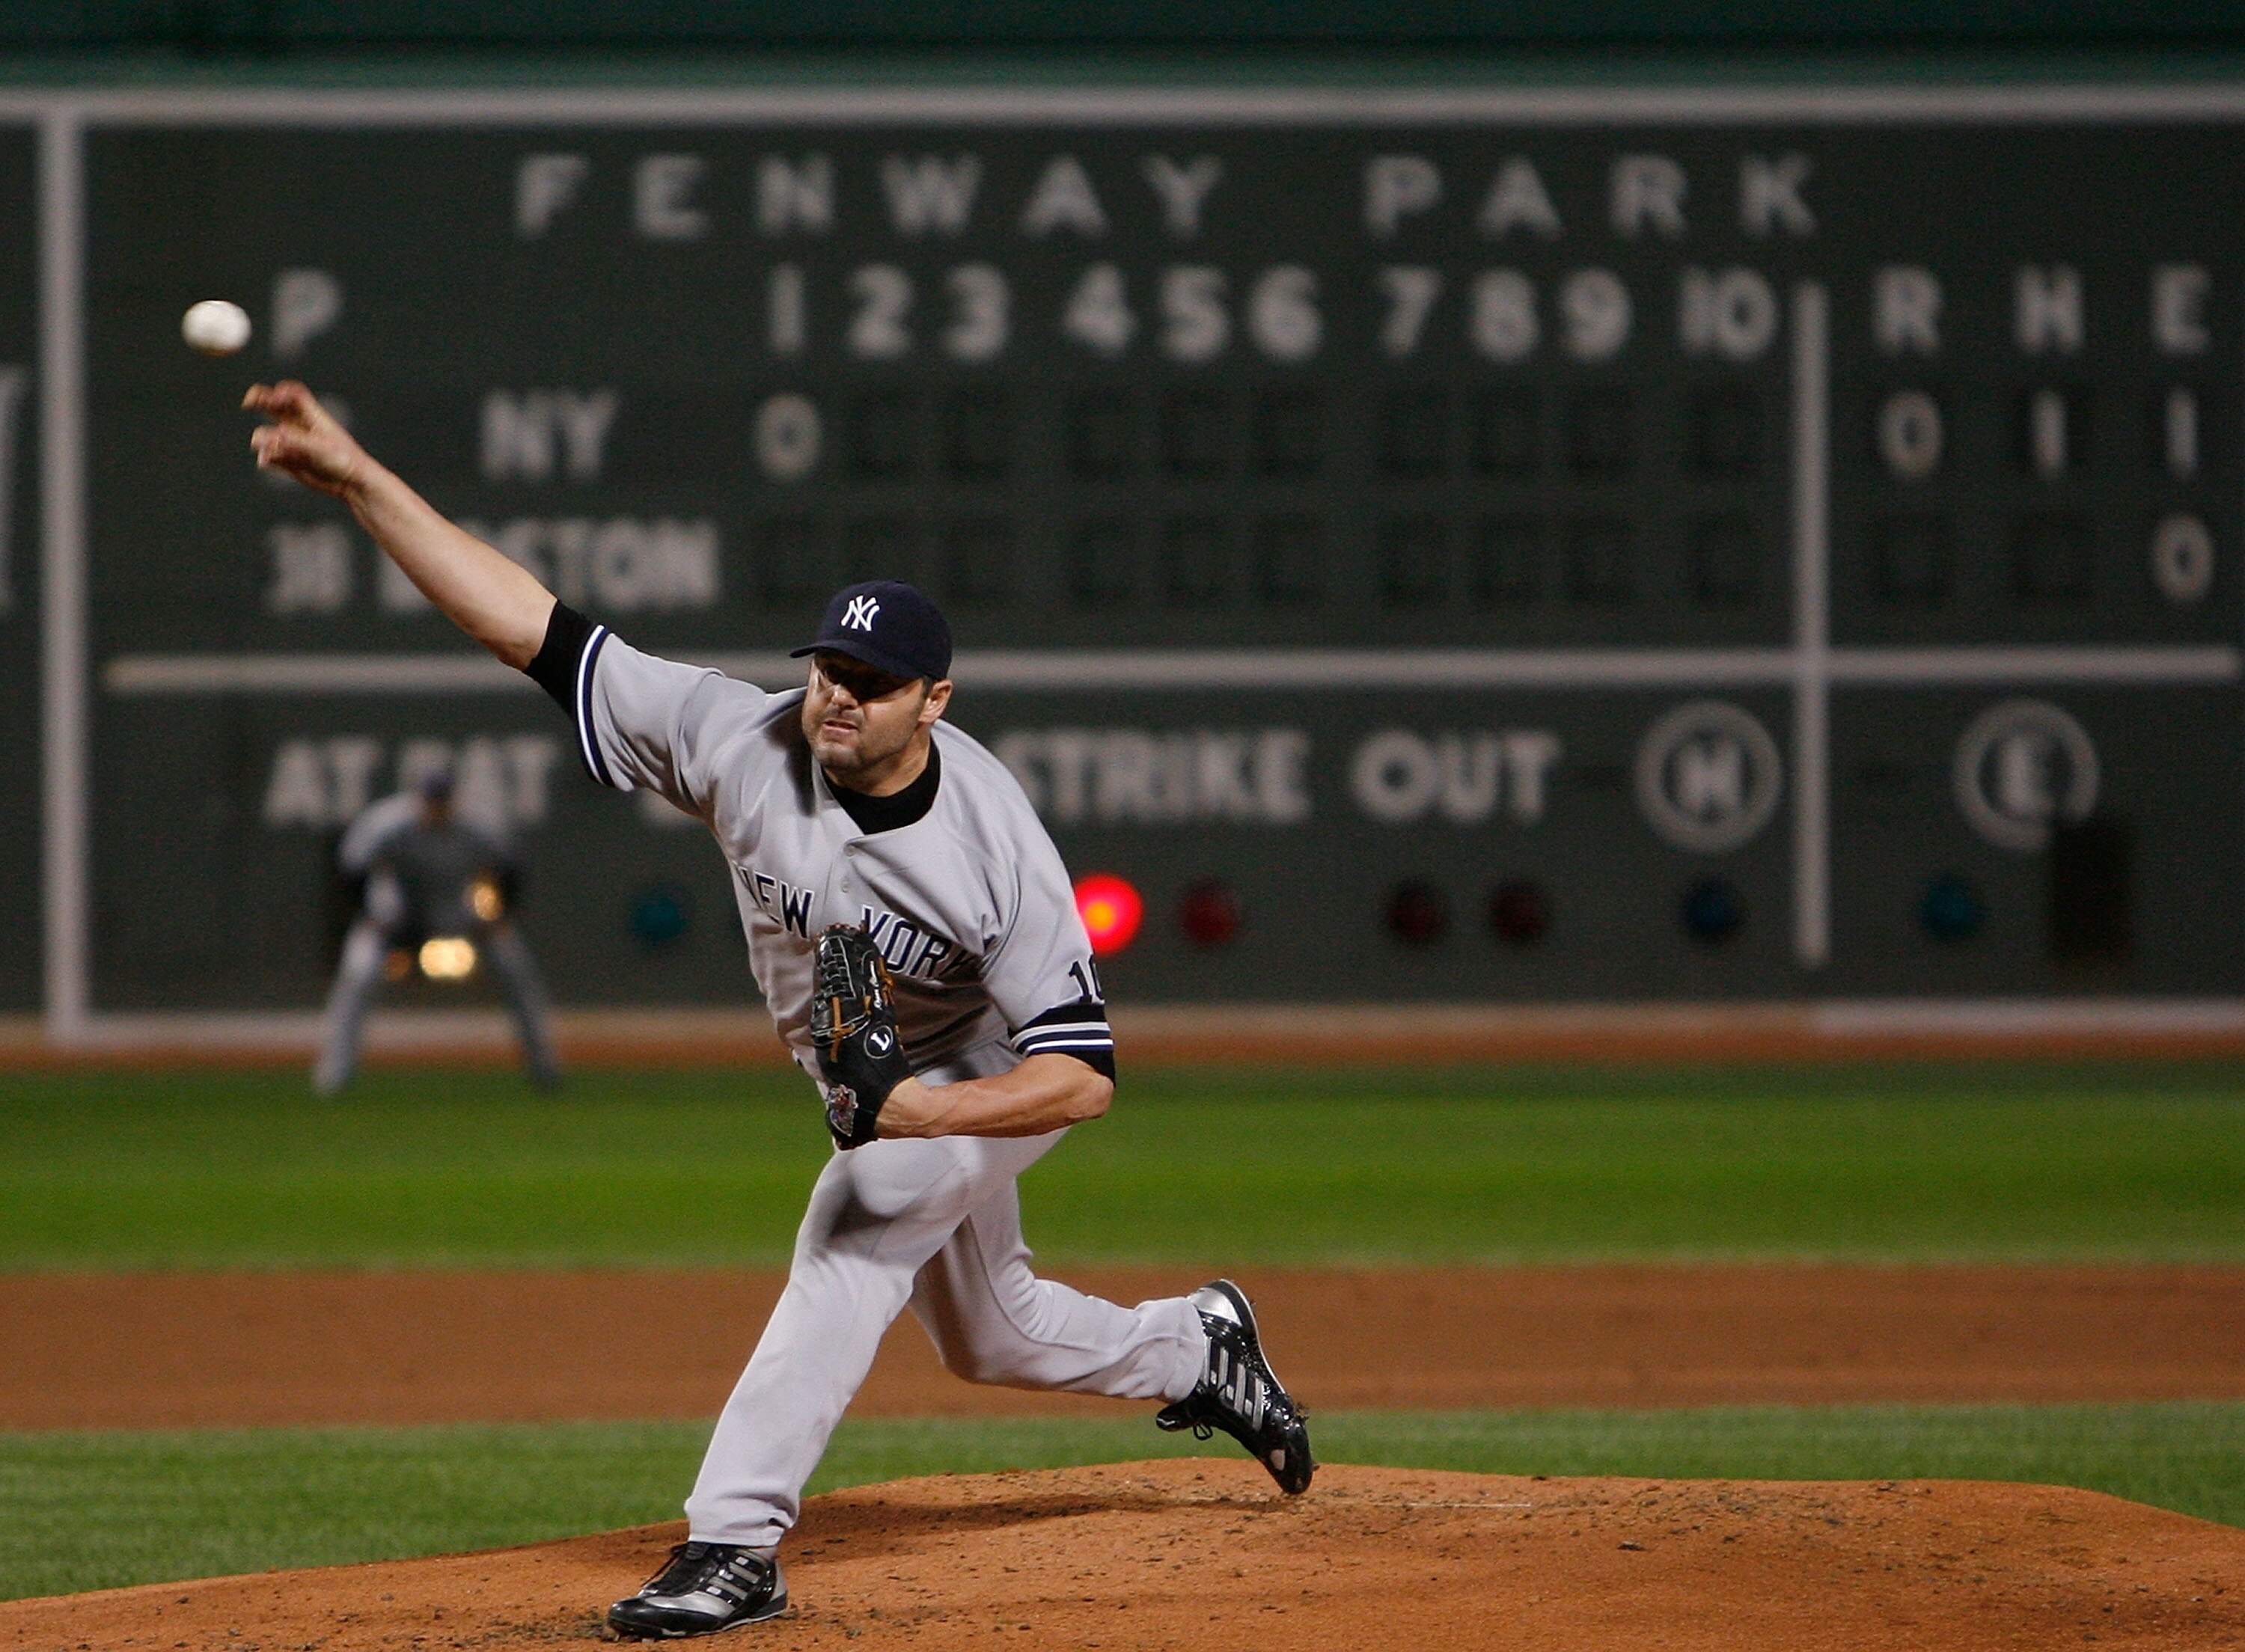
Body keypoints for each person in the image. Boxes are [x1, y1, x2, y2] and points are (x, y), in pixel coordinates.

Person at [245, 380, 1313, 1636]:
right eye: (828, 666)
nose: (839, 693)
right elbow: (533, 628)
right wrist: (362, 478)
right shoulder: (735, 738)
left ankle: (733, 1540)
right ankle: (1200, 1347)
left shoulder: (996, 848)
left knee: (857, 1224)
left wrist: (922, 1111)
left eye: (873, 676)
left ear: (937, 699)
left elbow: (1083, 1073)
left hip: (974, 1063)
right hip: (874, 1075)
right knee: (990, 1330)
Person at [316, 765, 561, 1095]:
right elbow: (352, 871)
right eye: (431, 799)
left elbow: (511, 871)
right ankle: (333, 1075)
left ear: (453, 799)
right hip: (396, 911)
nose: (437, 806)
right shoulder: (387, 822)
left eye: (442, 799)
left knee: (515, 967)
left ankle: (545, 1069)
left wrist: (497, 916)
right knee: (359, 975)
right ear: (417, 798)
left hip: (457, 908)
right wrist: (370, 916)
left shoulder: (478, 825)